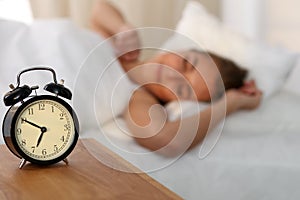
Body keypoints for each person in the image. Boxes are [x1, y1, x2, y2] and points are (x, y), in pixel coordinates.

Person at [90, 0, 262, 156]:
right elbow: (99, 10)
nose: (171, 75)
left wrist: (230, 103)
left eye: (181, 89)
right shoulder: (121, 48)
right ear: (183, 50)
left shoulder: (138, 98)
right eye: (185, 64)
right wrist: (123, 28)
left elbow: (167, 141)